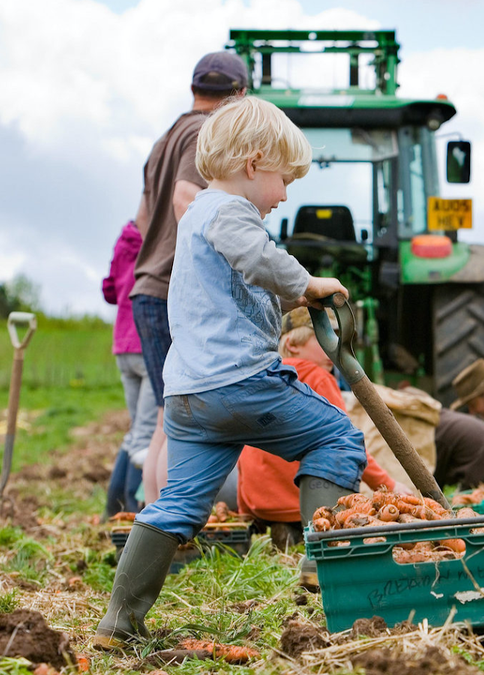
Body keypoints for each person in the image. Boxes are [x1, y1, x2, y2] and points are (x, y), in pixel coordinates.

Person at [94, 95, 364, 649]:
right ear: (254, 163)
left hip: (192, 398)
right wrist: (307, 284)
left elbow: (239, 288)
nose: (285, 194)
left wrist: (287, 308)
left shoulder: (196, 218)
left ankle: (119, 623)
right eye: (284, 179)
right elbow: (258, 258)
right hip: (240, 383)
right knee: (338, 437)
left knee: (179, 503)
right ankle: (325, 563)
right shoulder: (229, 212)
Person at [129, 52, 248, 505]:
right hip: (167, 292)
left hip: (148, 286)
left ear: (195, 88)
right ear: (239, 96)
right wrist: (208, 272)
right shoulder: (204, 132)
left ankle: (159, 521)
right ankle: (168, 526)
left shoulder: (167, 136)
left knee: (166, 413)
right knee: (172, 418)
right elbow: (185, 198)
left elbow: (143, 220)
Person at [237, 308, 396, 550]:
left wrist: (244, 510)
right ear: (291, 344)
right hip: (298, 505)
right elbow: (347, 442)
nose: (332, 348)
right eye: (322, 339)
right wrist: (388, 485)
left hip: (261, 506)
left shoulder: (262, 379)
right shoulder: (317, 377)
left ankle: (284, 540)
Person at [101, 220, 155, 516]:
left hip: (123, 345)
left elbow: (109, 290)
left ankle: (114, 509)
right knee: (146, 434)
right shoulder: (159, 239)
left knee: (137, 430)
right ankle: (135, 512)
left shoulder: (125, 239)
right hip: (147, 342)